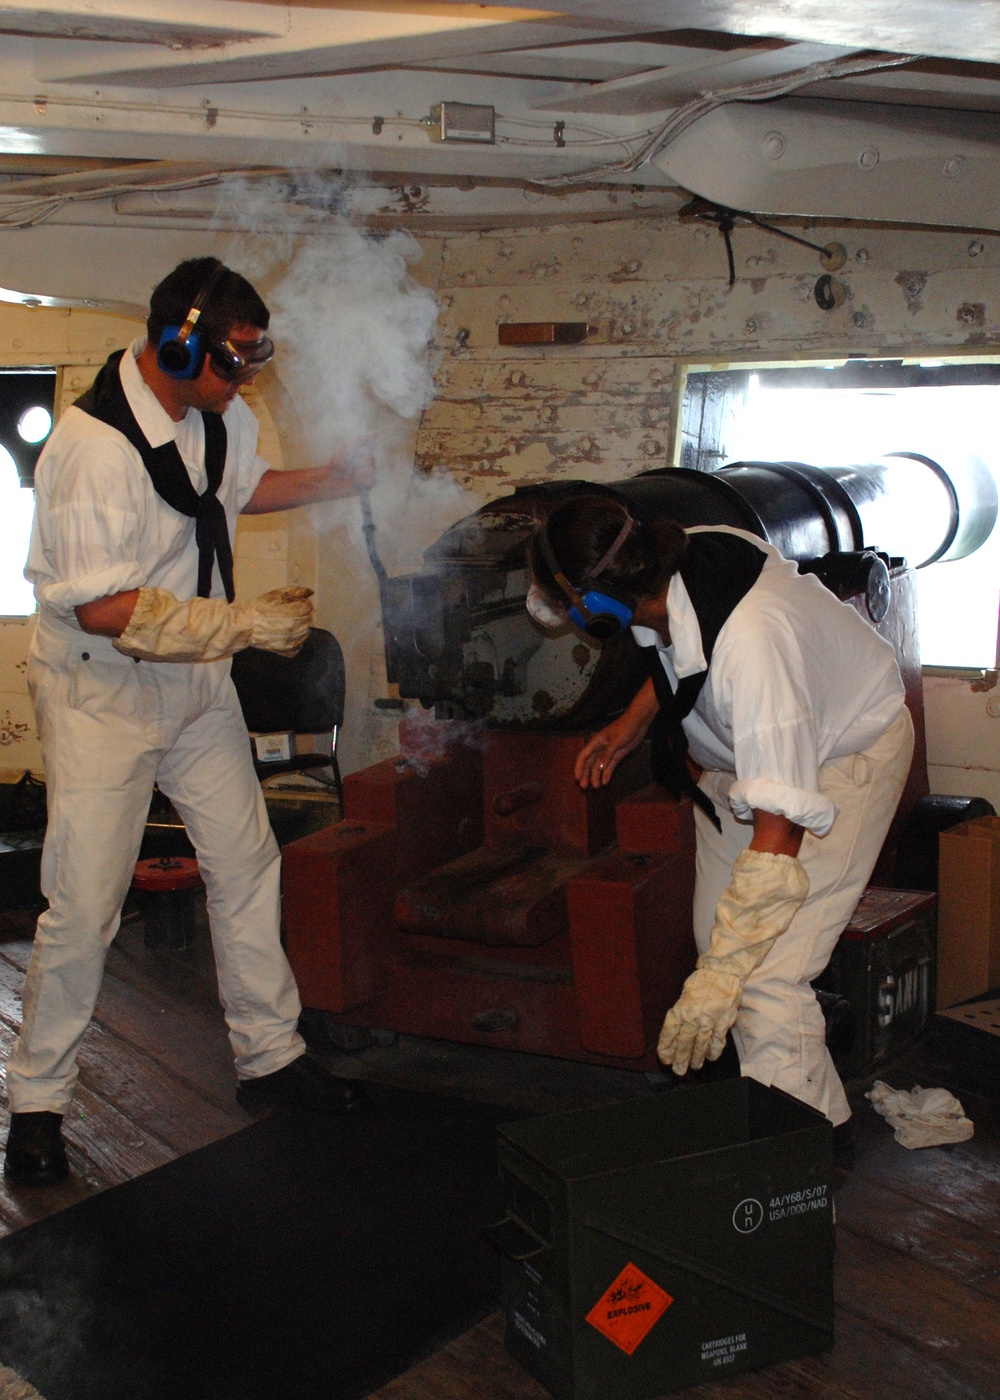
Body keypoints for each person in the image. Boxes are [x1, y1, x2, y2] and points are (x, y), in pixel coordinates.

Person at [3, 256, 375, 1188]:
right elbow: (102, 611)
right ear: (177, 346)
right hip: (105, 692)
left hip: (197, 680)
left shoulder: (220, 415)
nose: (245, 380)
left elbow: (235, 490)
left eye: (253, 361)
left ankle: (270, 1056)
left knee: (246, 862)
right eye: (235, 361)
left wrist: (335, 479)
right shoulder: (90, 450)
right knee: (85, 905)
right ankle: (38, 1104)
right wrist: (245, 625)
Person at [526, 494, 913, 1148]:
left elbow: (781, 830)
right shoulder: (676, 554)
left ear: (602, 608)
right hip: (747, 760)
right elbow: (681, 642)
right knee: (719, 940)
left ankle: (801, 1161)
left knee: (760, 974)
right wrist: (632, 723)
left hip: (842, 760)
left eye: (571, 609)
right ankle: (785, 1110)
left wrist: (723, 978)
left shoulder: (756, 648)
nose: (567, 619)